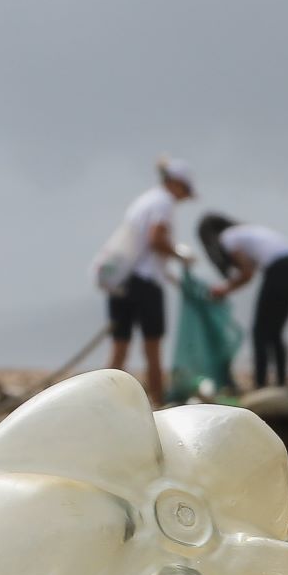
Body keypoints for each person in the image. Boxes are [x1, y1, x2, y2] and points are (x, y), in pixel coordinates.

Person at [96, 157, 195, 403]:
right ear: (176, 183)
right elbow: (155, 239)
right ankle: (158, 403)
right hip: (144, 284)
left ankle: (104, 401)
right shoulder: (163, 203)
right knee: (152, 347)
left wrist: (168, 273)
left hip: (122, 281)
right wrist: (180, 255)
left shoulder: (144, 200)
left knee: (119, 346)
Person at [197, 214, 288, 391]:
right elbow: (250, 273)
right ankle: (281, 382)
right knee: (275, 332)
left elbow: (247, 273)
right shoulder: (244, 233)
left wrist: (224, 289)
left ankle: (261, 383)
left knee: (260, 331)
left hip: (281, 270)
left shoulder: (228, 238)